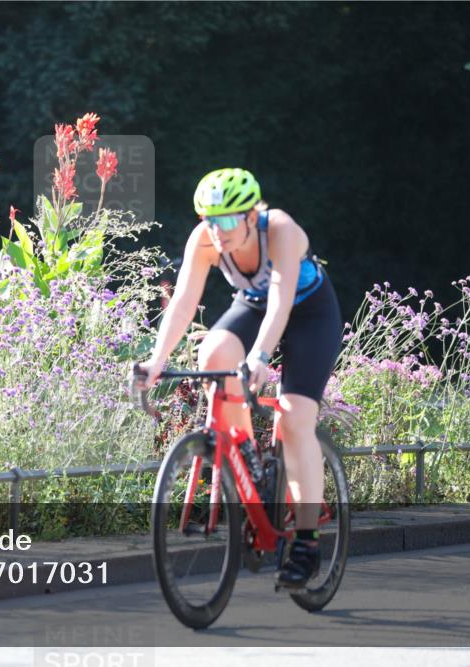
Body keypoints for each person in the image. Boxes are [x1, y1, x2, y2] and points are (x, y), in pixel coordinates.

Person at [136, 168, 343, 588]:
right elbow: (182, 305)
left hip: (308, 313)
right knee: (212, 351)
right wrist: (156, 360)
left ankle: (306, 540)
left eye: (228, 220)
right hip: (251, 304)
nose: (219, 230)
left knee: (294, 417)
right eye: (210, 221)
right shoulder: (206, 241)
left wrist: (261, 357)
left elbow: (281, 305)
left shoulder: (281, 230)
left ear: (251, 216)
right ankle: (246, 454)